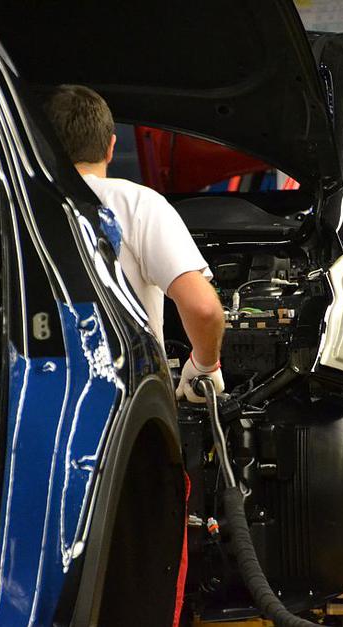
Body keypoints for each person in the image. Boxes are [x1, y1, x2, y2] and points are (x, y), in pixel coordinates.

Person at [45, 84, 224, 402]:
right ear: (111, 147)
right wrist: (205, 366)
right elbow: (203, 308)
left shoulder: (19, 211)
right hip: (130, 405)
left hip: (38, 399)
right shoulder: (137, 203)